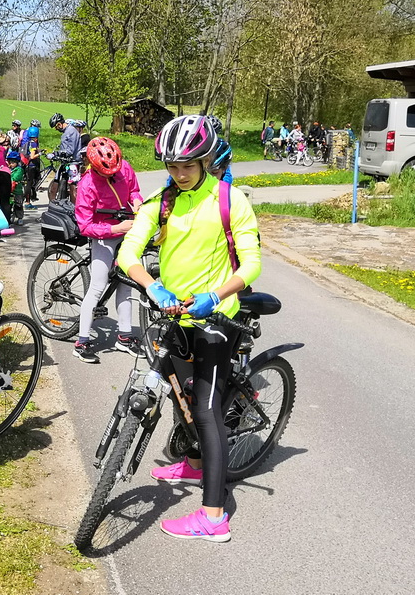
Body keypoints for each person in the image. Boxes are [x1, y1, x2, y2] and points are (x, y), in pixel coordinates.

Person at [117, 114, 261, 542]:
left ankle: (214, 517)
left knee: (205, 410)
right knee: (180, 392)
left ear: (205, 161)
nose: (180, 174)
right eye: (173, 166)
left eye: (188, 166)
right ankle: (196, 463)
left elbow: (252, 263)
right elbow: (128, 251)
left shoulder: (230, 200)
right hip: (175, 314)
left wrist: (215, 296)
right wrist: (151, 285)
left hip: (217, 318)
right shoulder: (161, 202)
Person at [71, 138, 144, 363]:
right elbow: (85, 225)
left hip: (126, 229)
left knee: (126, 284)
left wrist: (137, 201)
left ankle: (124, 336)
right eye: (105, 172)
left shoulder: (124, 167)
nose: (112, 174)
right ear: (94, 167)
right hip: (104, 234)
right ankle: (81, 342)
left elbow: (134, 190)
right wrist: (114, 229)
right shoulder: (87, 184)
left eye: (115, 170)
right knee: (97, 286)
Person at [48, 113, 84, 202]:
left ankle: (74, 207)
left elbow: (70, 150)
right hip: (65, 162)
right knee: (56, 181)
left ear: (59, 124)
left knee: (72, 186)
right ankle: (53, 205)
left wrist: (56, 154)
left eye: (56, 127)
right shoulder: (66, 132)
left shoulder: (71, 131)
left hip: (73, 162)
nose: (56, 129)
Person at [21, 120, 42, 207]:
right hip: (32, 165)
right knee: (29, 184)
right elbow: (32, 156)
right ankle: (27, 202)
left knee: (29, 182)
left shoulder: (29, 142)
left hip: (27, 164)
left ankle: (30, 198)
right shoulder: (33, 144)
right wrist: (40, 154)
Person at [7, 150, 25, 224]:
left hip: (17, 190)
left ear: (17, 162)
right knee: (9, 204)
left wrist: (9, 178)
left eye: (13, 163)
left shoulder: (19, 170)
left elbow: (16, 178)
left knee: (18, 204)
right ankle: (9, 216)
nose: (11, 164)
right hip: (9, 190)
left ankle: (20, 217)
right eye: (10, 162)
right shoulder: (8, 169)